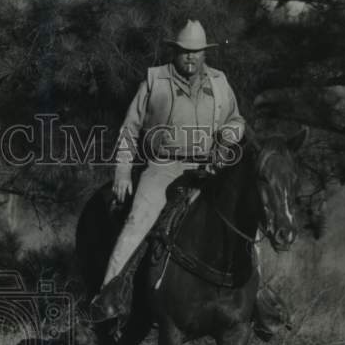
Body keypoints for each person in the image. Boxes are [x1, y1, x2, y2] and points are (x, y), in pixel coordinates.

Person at [90, 20, 246, 323]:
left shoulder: (219, 82)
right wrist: (122, 172)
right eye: (185, 51)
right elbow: (129, 131)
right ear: (174, 51)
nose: (191, 57)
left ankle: (258, 299)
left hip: (208, 168)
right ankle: (107, 298)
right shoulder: (154, 81)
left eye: (197, 52)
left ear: (205, 53)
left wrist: (229, 134)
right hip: (164, 166)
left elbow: (237, 120)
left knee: (242, 220)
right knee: (138, 221)